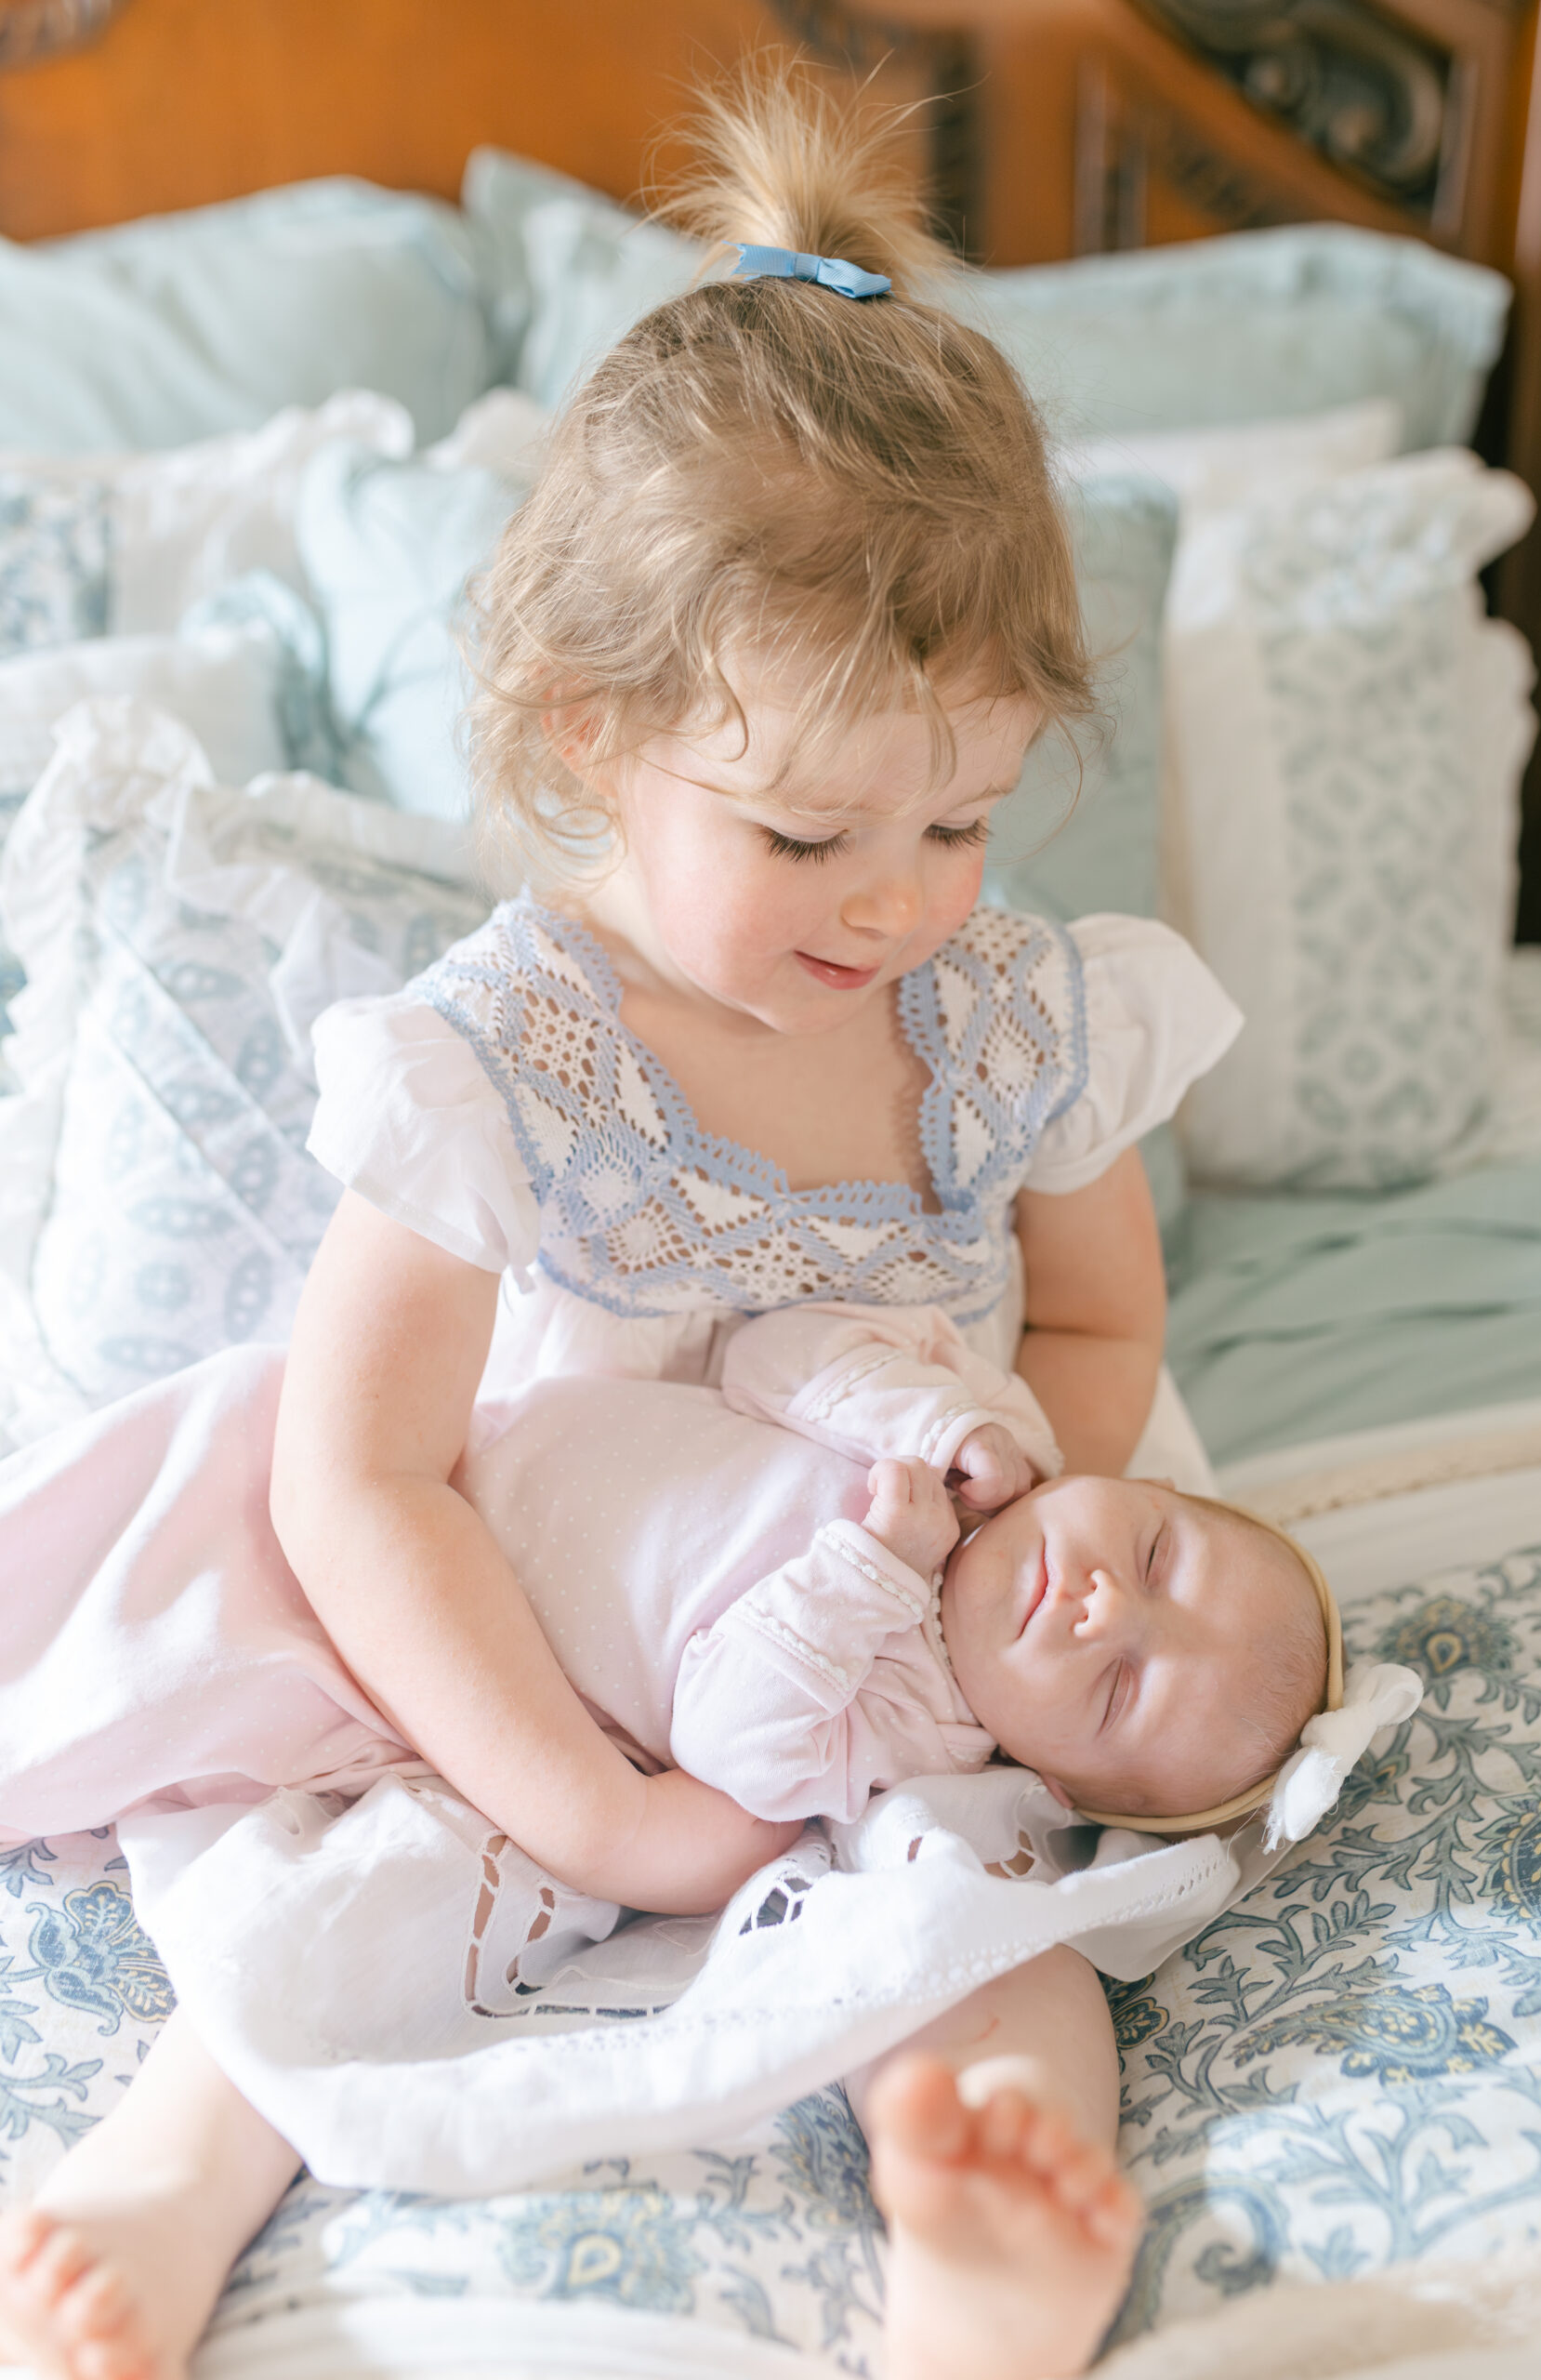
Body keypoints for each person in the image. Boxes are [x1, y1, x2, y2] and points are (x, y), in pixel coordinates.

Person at [0, 54, 1250, 2380]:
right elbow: (358, 1472)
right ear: (588, 730)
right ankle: (173, 2170)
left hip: (896, 1590)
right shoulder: (507, 1056)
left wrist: (995, 1527)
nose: (898, 903)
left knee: (976, 1899)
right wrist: (601, 1799)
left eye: (961, 820)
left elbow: (1091, 1323)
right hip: (569, 1588)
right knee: (365, 1868)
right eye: (806, 839)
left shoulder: (996, 1017)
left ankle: (981, 2216)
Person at [0, 1303, 1351, 2380]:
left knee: (322, 1934)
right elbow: (774, 1354)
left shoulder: (919, 1730)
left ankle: (145, 2216)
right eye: (1161, 1557)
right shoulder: (987, 1421)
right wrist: (932, 1420)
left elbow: (736, 1736)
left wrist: (872, 1572)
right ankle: (143, 2211)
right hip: (404, 1534)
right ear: (1145, 1485)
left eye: (1117, 1688)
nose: (1106, 1606)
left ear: (1051, 1771)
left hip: (492, 1733)